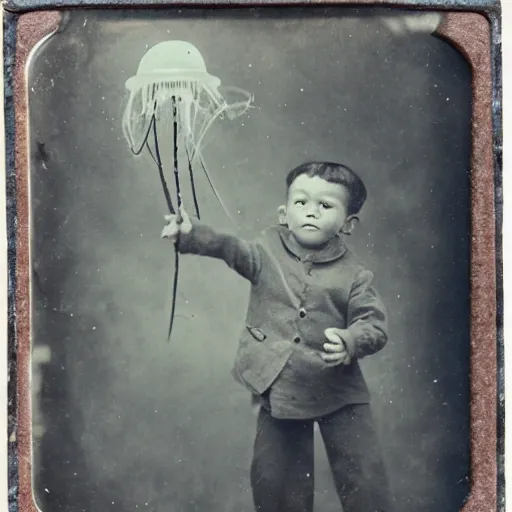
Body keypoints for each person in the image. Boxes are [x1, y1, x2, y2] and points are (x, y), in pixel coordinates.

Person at [161, 161, 392, 512]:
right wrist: (191, 235)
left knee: (363, 480)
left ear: (348, 223)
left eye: (325, 205)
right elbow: (231, 248)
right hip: (280, 385)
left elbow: (373, 325)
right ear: (284, 213)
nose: (310, 212)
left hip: (340, 393)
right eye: (301, 202)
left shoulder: (355, 275)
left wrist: (350, 340)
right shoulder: (266, 250)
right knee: (275, 481)